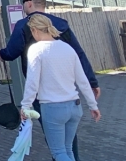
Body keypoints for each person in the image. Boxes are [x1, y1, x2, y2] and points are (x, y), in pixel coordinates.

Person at [0, 0, 99, 161]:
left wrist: (26, 105)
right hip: (72, 101)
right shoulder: (64, 35)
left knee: (58, 151)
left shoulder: (27, 32)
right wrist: (93, 90)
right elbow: (80, 63)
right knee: (67, 147)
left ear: (29, 3)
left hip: (48, 101)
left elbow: (30, 77)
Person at [19, 14, 101, 161]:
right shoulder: (67, 48)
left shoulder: (36, 50)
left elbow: (32, 82)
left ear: (34, 30)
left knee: (58, 153)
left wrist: (25, 106)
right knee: (67, 150)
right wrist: (93, 105)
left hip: (52, 108)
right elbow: (82, 80)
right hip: (75, 106)